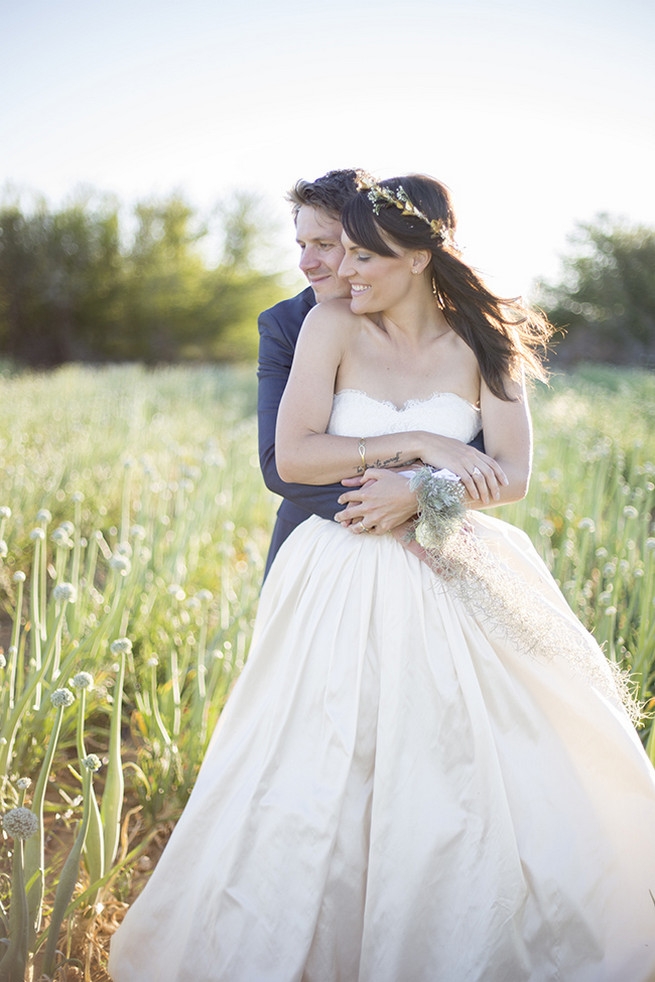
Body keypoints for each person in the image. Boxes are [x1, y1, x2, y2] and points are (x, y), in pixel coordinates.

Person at [109, 173, 655, 982]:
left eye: (363, 254)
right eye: (340, 251)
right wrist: (425, 448)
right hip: (337, 571)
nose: (341, 270)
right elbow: (292, 456)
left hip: (447, 566)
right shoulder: (328, 327)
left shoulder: (486, 344)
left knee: (459, 761)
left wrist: (421, 494)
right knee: (320, 757)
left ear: (418, 257)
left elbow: (509, 476)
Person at [257, 169, 484, 578]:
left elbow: (482, 453)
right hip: (322, 545)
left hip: (445, 549)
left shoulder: (466, 337)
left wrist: (421, 492)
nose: (307, 264)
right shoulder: (287, 325)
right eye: (302, 245)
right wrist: (391, 509)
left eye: (326, 245)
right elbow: (279, 463)